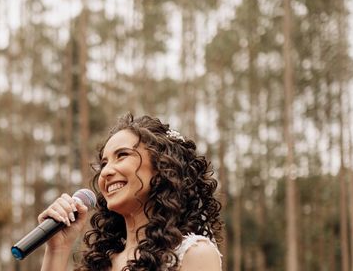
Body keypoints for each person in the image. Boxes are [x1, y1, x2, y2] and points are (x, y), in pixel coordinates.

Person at [39, 114, 223, 271]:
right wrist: (58, 249)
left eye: (122, 155)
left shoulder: (194, 254)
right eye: (104, 164)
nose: (105, 172)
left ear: (163, 167)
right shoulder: (102, 262)